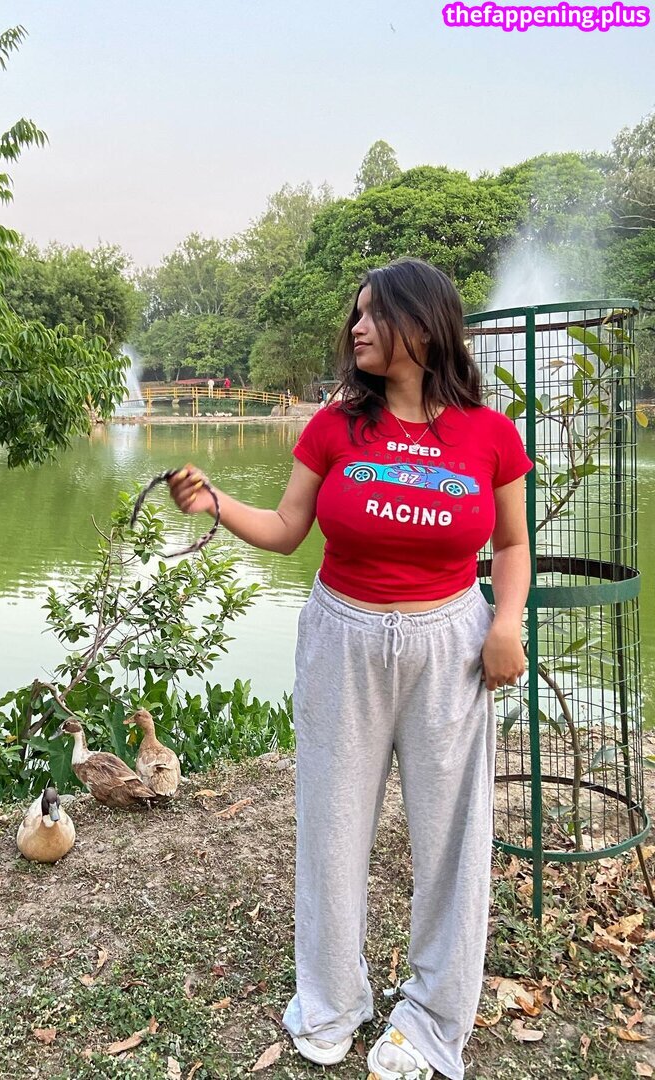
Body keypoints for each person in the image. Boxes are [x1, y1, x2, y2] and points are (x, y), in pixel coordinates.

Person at [167, 257, 531, 1080]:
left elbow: (512, 544)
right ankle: (331, 1001)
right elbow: (287, 528)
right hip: (343, 636)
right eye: (356, 314)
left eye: (375, 314)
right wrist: (216, 502)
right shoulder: (336, 426)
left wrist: (505, 622)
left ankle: (433, 1017)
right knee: (332, 828)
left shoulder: (488, 433)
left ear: (424, 326)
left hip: (449, 643)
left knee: (451, 838)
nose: (357, 327)